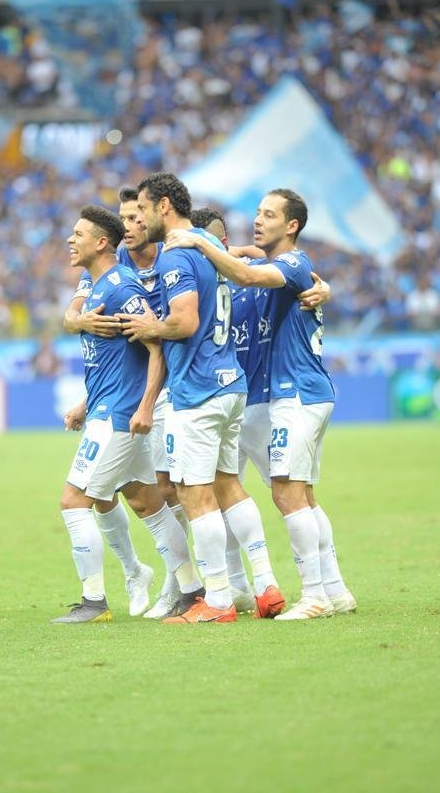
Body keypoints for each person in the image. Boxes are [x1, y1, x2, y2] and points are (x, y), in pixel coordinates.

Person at [164, 188, 356, 621]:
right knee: (289, 494)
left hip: (289, 394)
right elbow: (244, 272)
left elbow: (266, 274)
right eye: (256, 213)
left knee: (284, 494)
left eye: (269, 214)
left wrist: (199, 241)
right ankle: (332, 589)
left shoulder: (290, 265)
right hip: (252, 400)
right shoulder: (242, 272)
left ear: (291, 226)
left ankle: (314, 595)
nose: (258, 220)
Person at [119, 172, 285, 624]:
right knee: (229, 485)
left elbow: (185, 321)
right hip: (231, 384)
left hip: (198, 390)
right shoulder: (205, 246)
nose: (142, 217)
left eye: (146, 209)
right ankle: (266, 584)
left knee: (194, 494)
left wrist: (151, 327)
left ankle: (216, 600)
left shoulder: (177, 254)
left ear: (165, 207)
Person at [53, 205, 202, 623]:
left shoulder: (121, 288)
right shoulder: (98, 287)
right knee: (145, 502)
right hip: (107, 407)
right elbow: (112, 357)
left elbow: (156, 346)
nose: (70, 239)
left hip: (120, 414)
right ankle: (192, 588)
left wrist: (145, 406)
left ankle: (95, 601)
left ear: (101, 242)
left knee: (74, 500)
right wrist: (85, 403)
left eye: (78, 233)